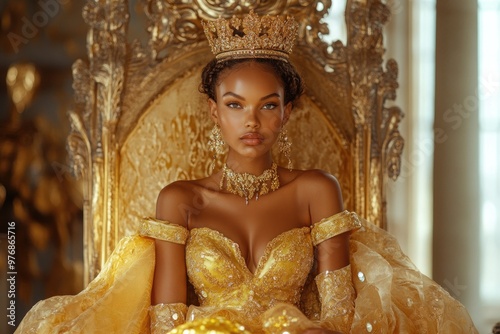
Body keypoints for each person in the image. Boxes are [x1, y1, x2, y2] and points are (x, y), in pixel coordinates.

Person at [16, 11, 477, 334]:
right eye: (235, 105)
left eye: (267, 105)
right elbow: (166, 323)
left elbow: (338, 317)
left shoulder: (316, 190)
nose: (251, 122)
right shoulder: (180, 201)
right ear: (214, 112)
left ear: (288, 112)